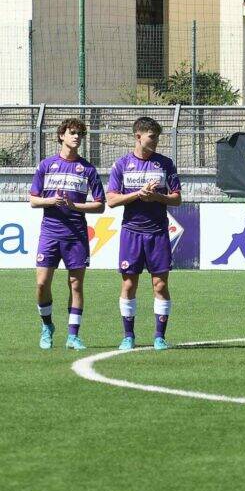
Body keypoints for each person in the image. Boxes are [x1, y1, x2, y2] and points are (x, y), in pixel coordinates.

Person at [106, 116, 182, 350]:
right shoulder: (121, 165)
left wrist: (157, 197)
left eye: (158, 137)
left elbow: (177, 199)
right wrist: (139, 194)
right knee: (129, 284)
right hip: (132, 232)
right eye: (152, 136)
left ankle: (160, 336)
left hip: (158, 232)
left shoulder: (165, 164)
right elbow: (111, 200)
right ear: (138, 136)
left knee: (160, 284)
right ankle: (128, 336)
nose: (156, 141)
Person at [29, 118, 105, 350]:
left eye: (80, 134)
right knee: (42, 284)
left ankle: (73, 335)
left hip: (76, 234)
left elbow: (100, 205)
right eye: (72, 133)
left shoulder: (88, 169)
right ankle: (47, 326)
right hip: (50, 232)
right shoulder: (46, 165)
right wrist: (53, 200)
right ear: (61, 135)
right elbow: (33, 200)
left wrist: (75, 206)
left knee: (75, 284)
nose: (76, 137)